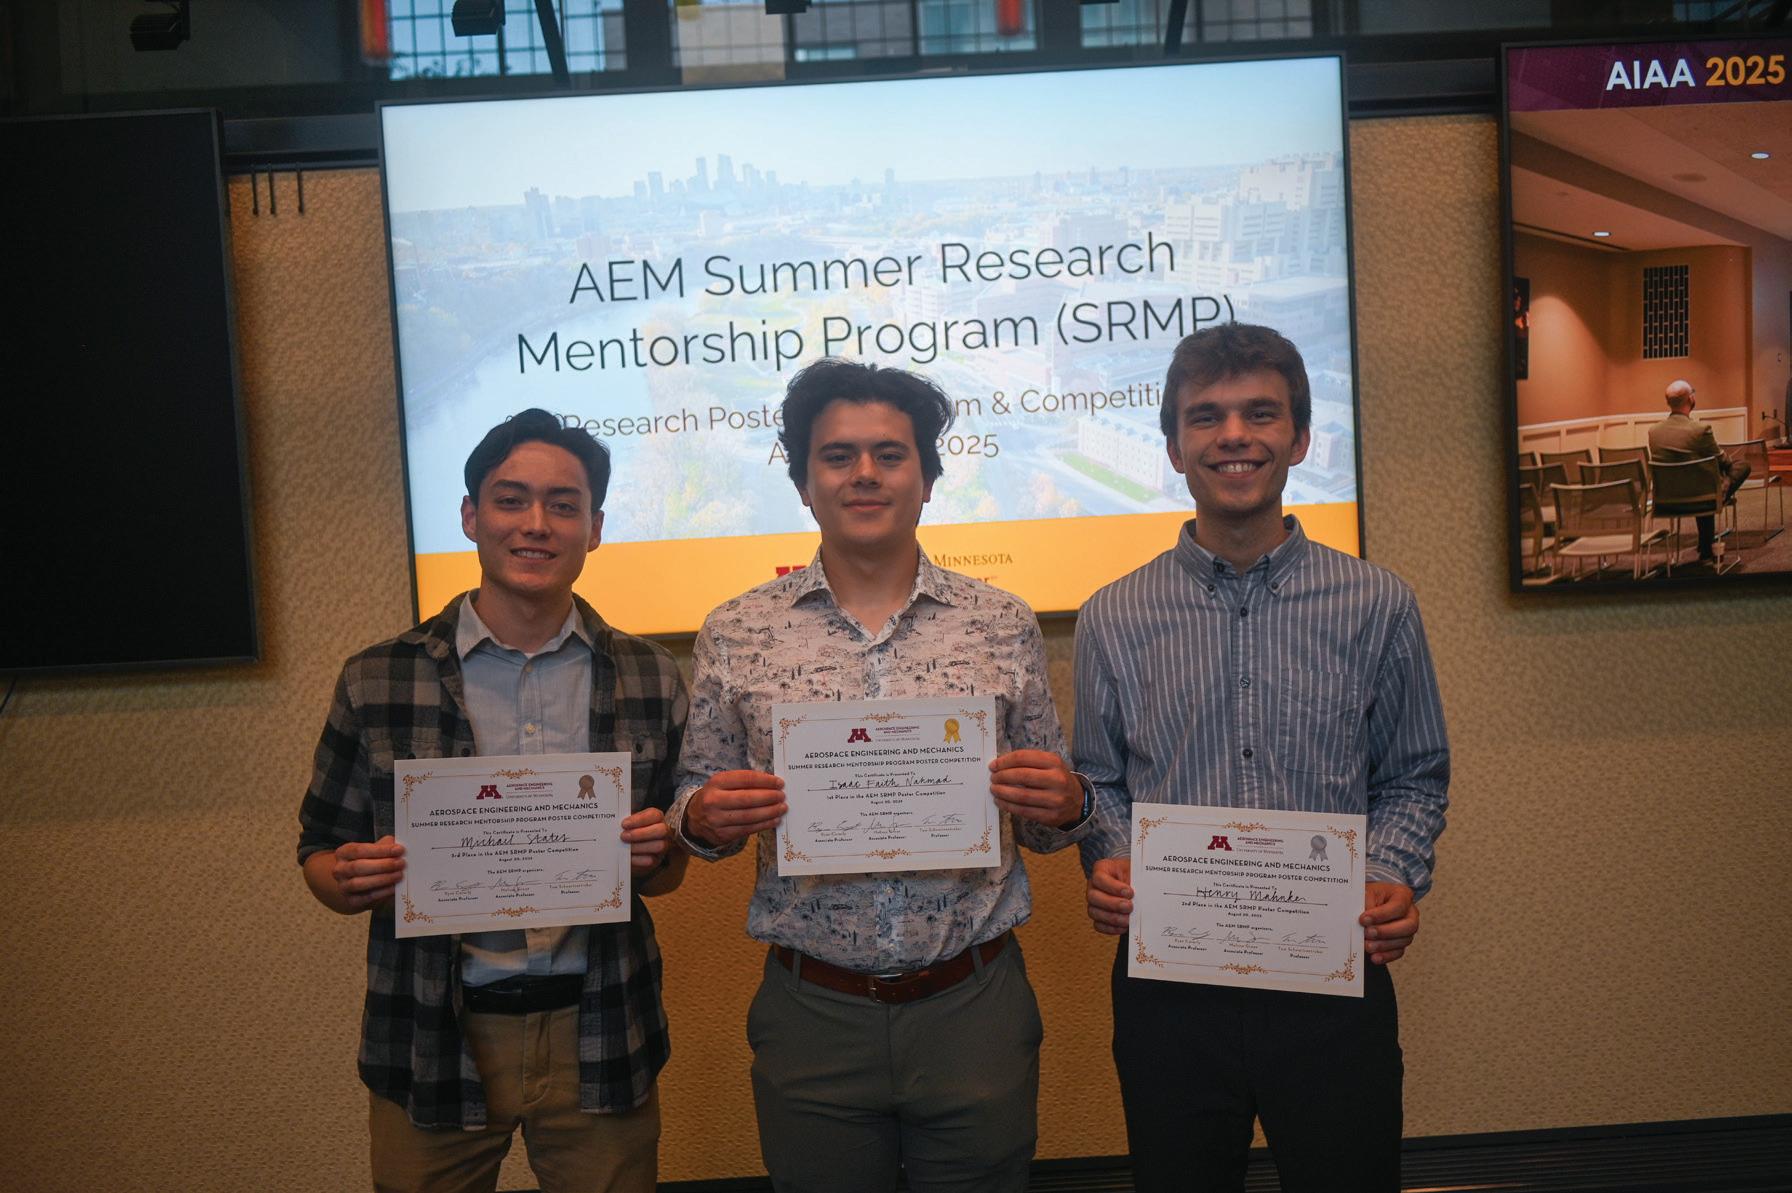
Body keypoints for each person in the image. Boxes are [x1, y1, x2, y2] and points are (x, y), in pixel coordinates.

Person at [668, 358, 1091, 1193]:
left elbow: (1049, 827)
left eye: (890, 454)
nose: (864, 473)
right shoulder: (736, 630)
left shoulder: (1001, 622)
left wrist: (1066, 801)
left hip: (973, 1005)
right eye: (838, 455)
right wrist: (703, 817)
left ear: (927, 479)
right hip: (812, 1011)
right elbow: (694, 800)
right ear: (803, 483)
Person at [1076, 323, 1449, 1193]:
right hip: (1170, 991)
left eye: (1260, 413)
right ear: (1174, 447)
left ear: (1301, 438)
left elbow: (1413, 774)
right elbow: (1098, 779)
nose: (1233, 435)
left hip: (1333, 981)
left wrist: (1389, 871)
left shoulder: (1378, 604)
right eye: (1205, 416)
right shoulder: (1112, 615)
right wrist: (1112, 855)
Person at [297, 409, 687, 1193]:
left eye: (563, 504)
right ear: (471, 516)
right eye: (511, 500)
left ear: (595, 528)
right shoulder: (379, 677)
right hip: (433, 1025)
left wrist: (660, 850)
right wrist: (346, 878)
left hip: (599, 1021)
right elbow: (321, 848)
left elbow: (669, 868)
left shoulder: (650, 675)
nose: (536, 524)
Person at [1647, 378, 1751, 565]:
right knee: (1741, 466)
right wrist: (1724, 476)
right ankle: (1722, 490)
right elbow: (1724, 462)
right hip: (1703, 499)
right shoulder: (1700, 430)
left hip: (1667, 501)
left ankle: (1705, 546)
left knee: (1702, 480)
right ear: (1690, 399)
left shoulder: (1653, 432)